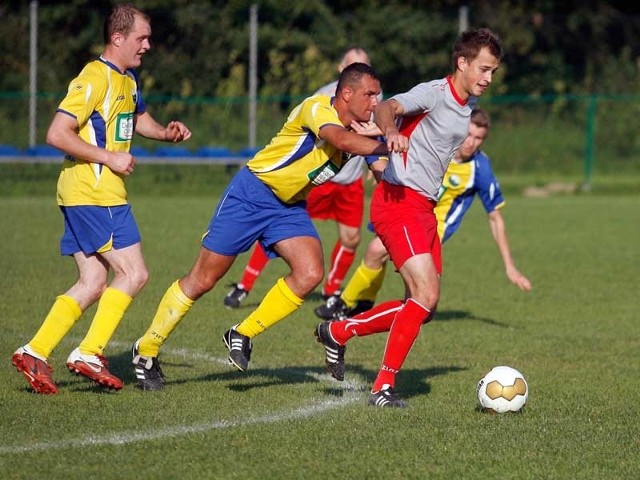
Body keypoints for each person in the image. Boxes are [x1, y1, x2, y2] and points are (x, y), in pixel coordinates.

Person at [131, 62, 388, 391]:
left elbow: (382, 170)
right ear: (347, 93)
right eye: (369, 94)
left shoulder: (365, 128)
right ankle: (146, 350)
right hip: (252, 194)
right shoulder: (317, 108)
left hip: (289, 207)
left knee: (309, 273)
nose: (375, 102)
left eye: (378, 95)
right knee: (203, 279)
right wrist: (386, 143)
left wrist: (405, 167)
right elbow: (342, 140)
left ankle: (241, 333)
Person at [314, 28, 504, 408]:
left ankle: (339, 330)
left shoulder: (465, 109)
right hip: (399, 202)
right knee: (425, 295)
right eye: (483, 68)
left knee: (424, 309)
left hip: (423, 209)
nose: (487, 77)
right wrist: (388, 132)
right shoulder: (434, 92)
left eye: (493, 71)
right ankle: (382, 387)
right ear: (462, 63)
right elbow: (389, 108)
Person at [10, 4, 192, 395]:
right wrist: (109, 157)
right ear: (118, 38)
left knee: (93, 280)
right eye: (142, 38)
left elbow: (136, 118)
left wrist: (165, 133)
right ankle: (89, 352)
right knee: (135, 273)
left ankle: (35, 350)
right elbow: (57, 133)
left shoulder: (126, 81)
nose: (148, 45)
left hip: (89, 192)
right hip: (93, 190)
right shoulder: (94, 77)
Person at [315, 107, 532, 322]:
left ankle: (343, 304)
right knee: (389, 265)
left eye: (478, 138)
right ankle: (363, 305)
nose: (471, 142)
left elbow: (495, 217)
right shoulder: (438, 148)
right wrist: (385, 167)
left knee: (377, 250)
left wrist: (509, 266)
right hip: (405, 208)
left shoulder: (480, 168)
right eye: (468, 135)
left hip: (433, 227)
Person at [223, 47, 380, 312]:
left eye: (363, 64)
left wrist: (375, 162)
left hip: (349, 181)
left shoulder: (373, 99)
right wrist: (388, 147)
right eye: (352, 64)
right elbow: (339, 138)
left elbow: (371, 136)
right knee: (278, 231)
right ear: (342, 70)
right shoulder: (323, 97)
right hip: (320, 179)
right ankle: (244, 284)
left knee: (352, 238)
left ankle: (332, 291)